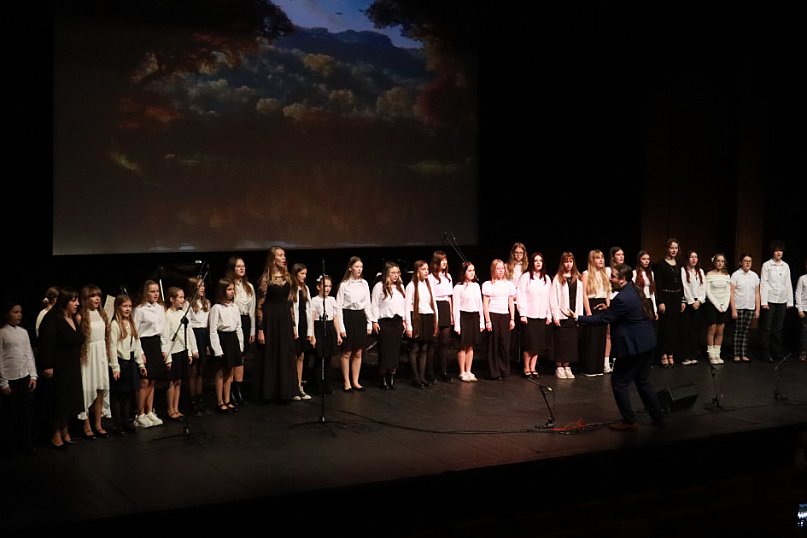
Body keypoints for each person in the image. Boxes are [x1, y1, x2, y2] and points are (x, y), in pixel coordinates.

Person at [576, 263, 665, 430]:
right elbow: (625, 312)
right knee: (642, 381)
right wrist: (610, 308)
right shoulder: (634, 290)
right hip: (647, 343)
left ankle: (630, 421)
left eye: (613, 277)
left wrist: (578, 318)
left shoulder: (622, 298)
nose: (610, 279)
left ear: (623, 279)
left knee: (619, 382)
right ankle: (658, 417)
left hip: (635, 347)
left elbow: (603, 319)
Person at [37, 287, 84, 449]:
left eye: (77, 300)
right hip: (59, 367)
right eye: (73, 300)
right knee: (59, 401)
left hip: (72, 365)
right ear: (64, 302)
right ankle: (55, 433)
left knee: (69, 399)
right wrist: (47, 365)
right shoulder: (52, 318)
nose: (77, 303)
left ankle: (65, 429)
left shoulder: (72, 318)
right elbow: (46, 343)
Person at [255, 247, 297, 402]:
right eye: (280, 255)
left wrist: (293, 325)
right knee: (271, 353)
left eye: (284, 255)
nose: (284, 257)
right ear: (273, 259)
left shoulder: (288, 277)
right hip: (270, 319)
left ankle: (284, 391)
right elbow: (259, 305)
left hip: (284, 318)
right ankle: (269, 392)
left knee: (285, 353)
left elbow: (290, 303)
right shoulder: (266, 279)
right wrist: (260, 329)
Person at [0, 301, 37, 457]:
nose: (19, 315)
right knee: (10, 416)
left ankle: (26, 444)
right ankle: (10, 447)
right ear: (7, 314)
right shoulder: (2, 333)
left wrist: (33, 375)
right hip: (10, 379)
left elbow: (29, 354)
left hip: (24, 377)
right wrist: (3, 383)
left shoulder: (23, 332)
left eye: (20, 312)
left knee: (25, 415)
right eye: (15, 312)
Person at [77, 284, 113, 439]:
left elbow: (106, 337)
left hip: (101, 354)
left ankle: (98, 424)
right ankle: (86, 425)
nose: (97, 299)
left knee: (100, 389)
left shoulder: (102, 313)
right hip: (88, 355)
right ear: (86, 298)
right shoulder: (81, 316)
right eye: (93, 296)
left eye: (98, 295)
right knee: (87, 389)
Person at [108, 294, 144, 434]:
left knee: (128, 394)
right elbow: (112, 347)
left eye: (130, 306)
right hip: (120, 363)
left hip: (131, 362)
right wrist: (115, 367)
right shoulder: (115, 325)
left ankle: (126, 421)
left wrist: (140, 364)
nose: (128, 309)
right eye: (125, 306)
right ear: (118, 307)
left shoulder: (131, 323)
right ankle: (118, 424)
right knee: (118, 394)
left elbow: (137, 344)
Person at [336, 256, 372, 392]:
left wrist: (369, 322)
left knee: (358, 352)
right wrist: (341, 327)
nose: (359, 269)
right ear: (350, 268)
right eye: (357, 266)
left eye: (361, 267)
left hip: (360, 317)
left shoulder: (364, 283)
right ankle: (347, 382)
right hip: (348, 317)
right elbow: (338, 307)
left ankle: (355, 381)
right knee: (347, 352)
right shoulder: (344, 285)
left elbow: (367, 304)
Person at [133, 280, 166, 428]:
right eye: (152, 291)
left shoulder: (160, 308)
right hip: (144, 344)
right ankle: (139, 414)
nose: (156, 294)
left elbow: (163, 331)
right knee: (144, 381)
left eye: (157, 291)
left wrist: (164, 349)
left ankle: (149, 411)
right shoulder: (139, 310)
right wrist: (140, 353)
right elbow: (135, 334)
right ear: (146, 293)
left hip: (155, 344)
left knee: (153, 380)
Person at [162, 287, 198, 420]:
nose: (183, 300)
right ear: (172, 299)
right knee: (172, 382)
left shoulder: (182, 313)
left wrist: (189, 352)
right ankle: (170, 409)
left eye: (183, 297)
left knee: (179, 381)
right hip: (173, 352)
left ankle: (176, 408)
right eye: (180, 297)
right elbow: (165, 337)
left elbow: (187, 332)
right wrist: (168, 358)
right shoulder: (167, 315)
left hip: (183, 351)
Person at [516, 252, 552, 379]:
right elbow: (520, 296)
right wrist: (522, 314)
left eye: (540, 261)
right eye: (536, 260)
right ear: (532, 262)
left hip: (541, 315)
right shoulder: (525, 277)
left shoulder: (546, 279)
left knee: (537, 344)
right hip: (529, 315)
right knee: (529, 343)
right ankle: (526, 367)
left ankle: (533, 367)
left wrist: (549, 314)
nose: (538, 263)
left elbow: (549, 297)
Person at [209, 278, 243, 413]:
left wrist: (240, 345)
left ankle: (227, 399)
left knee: (230, 371)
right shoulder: (216, 308)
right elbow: (213, 330)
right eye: (229, 289)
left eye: (233, 289)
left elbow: (239, 327)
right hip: (222, 339)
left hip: (233, 339)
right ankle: (219, 401)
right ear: (222, 291)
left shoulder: (235, 307)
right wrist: (217, 349)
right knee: (221, 372)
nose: (232, 292)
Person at [371, 262, 406, 390]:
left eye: (397, 273)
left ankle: (392, 376)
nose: (395, 275)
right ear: (387, 274)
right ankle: (383, 378)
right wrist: (374, 321)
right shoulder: (379, 286)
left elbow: (404, 305)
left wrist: (404, 320)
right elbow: (374, 304)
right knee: (385, 351)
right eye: (393, 273)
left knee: (395, 352)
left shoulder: (400, 287)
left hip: (397, 322)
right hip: (385, 323)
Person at [225, 256, 255, 406]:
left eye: (243, 266)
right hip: (233, 321)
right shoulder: (229, 286)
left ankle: (238, 390)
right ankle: (229, 391)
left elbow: (252, 310)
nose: (242, 268)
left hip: (246, 321)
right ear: (232, 269)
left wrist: (253, 330)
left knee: (241, 356)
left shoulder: (249, 286)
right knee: (233, 356)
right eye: (238, 266)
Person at [549, 251, 583, 379]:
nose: (568, 264)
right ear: (562, 263)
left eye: (570, 261)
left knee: (570, 343)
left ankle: (567, 366)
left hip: (573, 316)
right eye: (566, 261)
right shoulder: (558, 279)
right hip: (561, 316)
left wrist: (579, 316)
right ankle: (559, 367)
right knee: (560, 343)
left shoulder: (577, 278)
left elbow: (579, 299)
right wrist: (555, 315)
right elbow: (553, 299)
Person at [759, 240, 794, 362]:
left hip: (782, 300)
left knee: (778, 328)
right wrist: (764, 302)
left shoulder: (786, 266)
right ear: (772, 252)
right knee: (767, 328)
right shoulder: (767, 265)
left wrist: (790, 301)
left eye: (781, 251)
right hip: (770, 300)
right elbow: (763, 284)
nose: (779, 253)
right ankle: (765, 353)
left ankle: (777, 352)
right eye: (776, 250)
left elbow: (788, 283)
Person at [406, 260, 438, 388]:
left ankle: (422, 377)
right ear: (417, 271)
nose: (426, 271)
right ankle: (415, 378)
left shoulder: (428, 285)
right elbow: (407, 307)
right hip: (417, 318)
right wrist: (409, 325)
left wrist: (436, 320)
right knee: (415, 348)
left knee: (424, 348)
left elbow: (433, 303)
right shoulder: (411, 286)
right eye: (423, 269)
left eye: (427, 269)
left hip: (428, 317)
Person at [482, 258, 516, 380]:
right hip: (493, 315)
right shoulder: (488, 285)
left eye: (502, 268)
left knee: (504, 344)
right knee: (493, 345)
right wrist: (488, 321)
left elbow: (511, 302)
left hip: (505, 316)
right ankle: (494, 372)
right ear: (493, 270)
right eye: (498, 268)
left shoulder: (509, 285)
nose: (501, 271)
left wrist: (512, 318)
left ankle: (504, 371)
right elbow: (485, 304)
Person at [654, 238, 684, 368]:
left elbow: (681, 282)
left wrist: (682, 299)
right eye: (672, 248)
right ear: (667, 249)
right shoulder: (661, 264)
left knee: (674, 328)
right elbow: (658, 284)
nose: (674, 250)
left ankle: (671, 352)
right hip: (666, 298)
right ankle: (663, 353)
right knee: (665, 328)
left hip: (676, 298)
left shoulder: (678, 264)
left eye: (676, 248)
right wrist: (660, 301)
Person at [580, 250, 610, 377]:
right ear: (592, 260)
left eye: (602, 257)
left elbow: (607, 293)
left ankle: (598, 368)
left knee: (601, 338)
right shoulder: (586, 274)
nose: (601, 260)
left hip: (603, 305)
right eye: (597, 258)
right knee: (591, 338)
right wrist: (588, 312)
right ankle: (589, 368)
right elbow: (584, 294)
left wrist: (608, 308)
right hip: (592, 305)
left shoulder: (605, 274)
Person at [453, 261, 484, 382]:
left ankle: (469, 371)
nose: (472, 273)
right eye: (469, 270)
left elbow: (480, 305)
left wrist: (481, 321)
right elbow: (456, 307)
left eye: (473, 270)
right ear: (464, 272)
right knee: (462, 346)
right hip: (463, 317)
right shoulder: (458, 287)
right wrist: (457, 325)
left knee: (471, 346)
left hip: (474, 316)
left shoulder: (476, 286)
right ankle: (462, 372)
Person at [311, 275, 342, 394]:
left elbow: (335, 318)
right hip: (319, 327)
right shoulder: (315, 300)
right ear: (318, 287)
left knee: (328, 359)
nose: (328, 288)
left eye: (329, 286)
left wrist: (338, 334)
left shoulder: (332, 300)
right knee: (319, 359)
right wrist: (312, 335)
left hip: (329, 329)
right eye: (325, 286)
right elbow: (312, 319)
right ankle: (319, 386)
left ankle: (328, 386)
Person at [428, 251, 454, 382]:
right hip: (435, 307)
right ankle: (430, 373)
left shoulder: (448, 277)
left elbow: (449, 297)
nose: (445, 262)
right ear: (436, 262)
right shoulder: (430, 277)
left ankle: (443, 371)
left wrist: (451, 314)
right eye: (442, 260)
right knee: (433, 343)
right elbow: (430, 297)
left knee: (444, 343)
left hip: (445, 307)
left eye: (446, 260)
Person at [185, 276, 210, 415]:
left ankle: (200, 399)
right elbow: (188, 327)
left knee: (201, 370)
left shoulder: (206, 303)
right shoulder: (188, 304)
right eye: (200, 286)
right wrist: (193, 348)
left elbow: (208, 324)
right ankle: (192, 400)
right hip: (194, 335)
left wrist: (207, 345)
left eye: (204, 285)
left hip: (203, 335)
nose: (203, 288)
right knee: (193, 371)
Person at [290, 263, 315, 400]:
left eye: (305, 274)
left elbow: (309, 310)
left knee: (301, 356)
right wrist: (293, 326)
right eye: (302, 273)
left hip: (304, 325)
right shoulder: (291, 288)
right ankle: (292, 387)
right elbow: (291, 309)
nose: (304, 276)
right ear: (295, 274)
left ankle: (299, 386)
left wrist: (310, 332)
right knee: (293, 356)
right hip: (294, 326)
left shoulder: (305, 288)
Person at [729, 254, 760, 363]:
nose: (748, 263)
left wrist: (757, 309)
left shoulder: (754, 276)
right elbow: (731, 293)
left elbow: (757, 293)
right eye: (745, 261)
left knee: (746, 331)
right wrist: (733, 309)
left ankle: (743, 353)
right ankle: (736, 354)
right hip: (739, 306)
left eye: (749, 261)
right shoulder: (736, 275)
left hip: (750, 307)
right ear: (741, 262)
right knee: (738, 330)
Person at [680, 250, 706, 366]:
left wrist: (699, 300)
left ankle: (693, 354)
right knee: (686, 329)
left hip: (698, 303)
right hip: (688, 302)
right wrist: (691, 301)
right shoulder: (683, 270)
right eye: (691, 257)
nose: (694, 259)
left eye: (696, 257)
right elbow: (684, 287)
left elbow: (703, 288)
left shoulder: (700, 271)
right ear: (688, 258)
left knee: (695, 330)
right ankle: (685, 356)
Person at [704, 253, 731, 364]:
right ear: (714, 262)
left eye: (722, 261)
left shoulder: (726, 275)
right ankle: (711, 354)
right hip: (712, 305)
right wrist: (717, 305)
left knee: (720, 330)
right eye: (718, 261)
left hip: (723, 305)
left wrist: (725, 305)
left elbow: (728, 291)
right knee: (712, 329)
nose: (720, 263)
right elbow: (708, 291)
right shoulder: (709, 274)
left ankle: (717, 354)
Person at [506, 243, 528, 367]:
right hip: (511, 301)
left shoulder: (527, 267)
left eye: (521, 253)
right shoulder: (507, 266)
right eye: (516, 252)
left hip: (524, 302)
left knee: (524, 331)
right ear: (513, 253)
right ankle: (510, 358)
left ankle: (522, 360)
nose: (518, 255)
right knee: (512, 332)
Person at [796, 258, 807, 362]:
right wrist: (799, 308)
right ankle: (803, 352)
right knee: (804, 331)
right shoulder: (802, 278)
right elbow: (798, 293)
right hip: (805, 308)